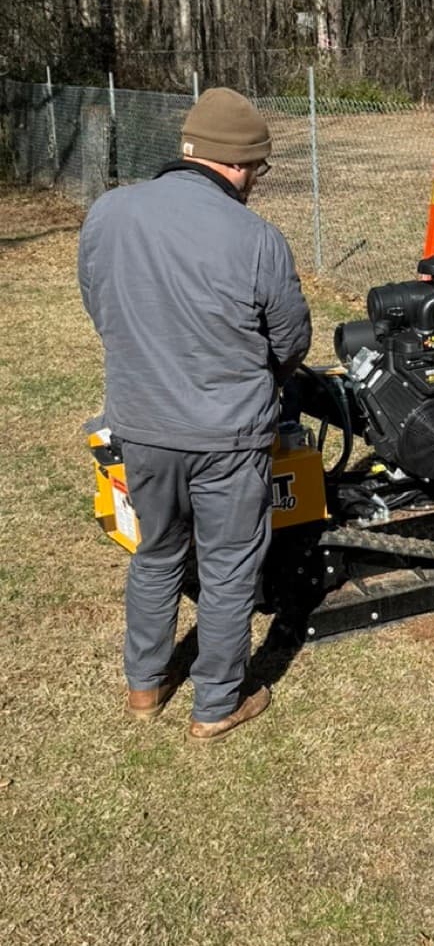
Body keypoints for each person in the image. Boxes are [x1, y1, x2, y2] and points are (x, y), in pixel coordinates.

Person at [78, 87, 312, 741]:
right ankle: (215, 705)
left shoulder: (110, 213)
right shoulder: (256, 238)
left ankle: (144, 687)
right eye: (257, 171)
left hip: (142, 424)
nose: (256, 185)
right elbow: (291, 341)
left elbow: (102, 307)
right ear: (236, 164)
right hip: (227, 436)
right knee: (230, 563)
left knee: (156, 554)